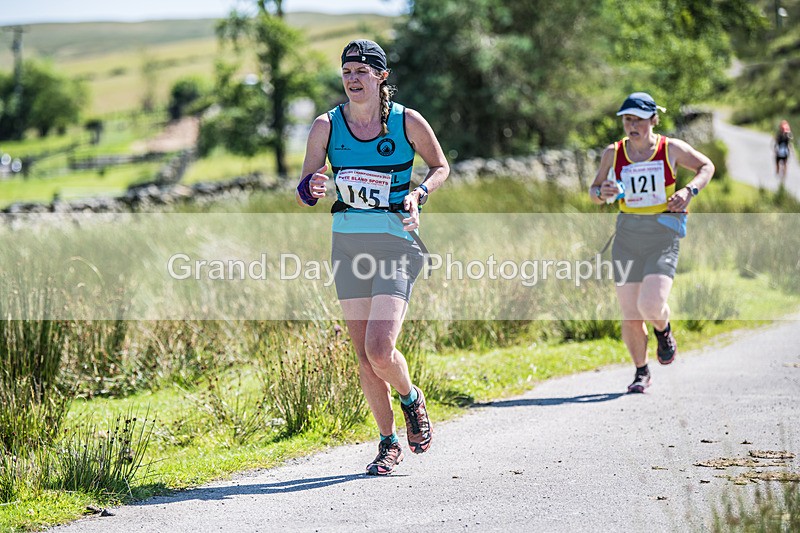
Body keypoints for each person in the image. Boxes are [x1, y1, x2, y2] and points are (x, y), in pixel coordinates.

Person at [295, 39, 449, 474]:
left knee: (381, 349)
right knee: (364, 357)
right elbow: (305, 187)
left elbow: (441, 167)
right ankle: (387, 443)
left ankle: (410, 397)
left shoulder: (406, 122)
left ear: (381, 77)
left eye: (362, 71)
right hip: (347, 245)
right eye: (347, 72)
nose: (352, 79)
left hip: (395, 244)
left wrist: (419, 194)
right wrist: (313, 187)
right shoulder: (325, 127)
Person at [589, 92, 714, 393]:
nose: (631, 126)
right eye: (627, 119)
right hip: (627, 238)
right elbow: (594, 191)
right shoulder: (613, 153)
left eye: (638, 120)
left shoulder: (670, 149)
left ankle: (663, 329)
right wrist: (603, 193)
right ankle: (641, 371)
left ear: (653, 120)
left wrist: (689, 192)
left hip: (662, 236)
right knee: (631, 313)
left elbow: (707, 166)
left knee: (651, 304)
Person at [774, 119, 793, 186]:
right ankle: (779, 175)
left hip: (783, 151)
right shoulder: (781, 135)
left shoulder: (786, 135)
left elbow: (789, 141)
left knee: (783, 163)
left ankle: (781, 176)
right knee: (780, 163)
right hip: (781, 151)